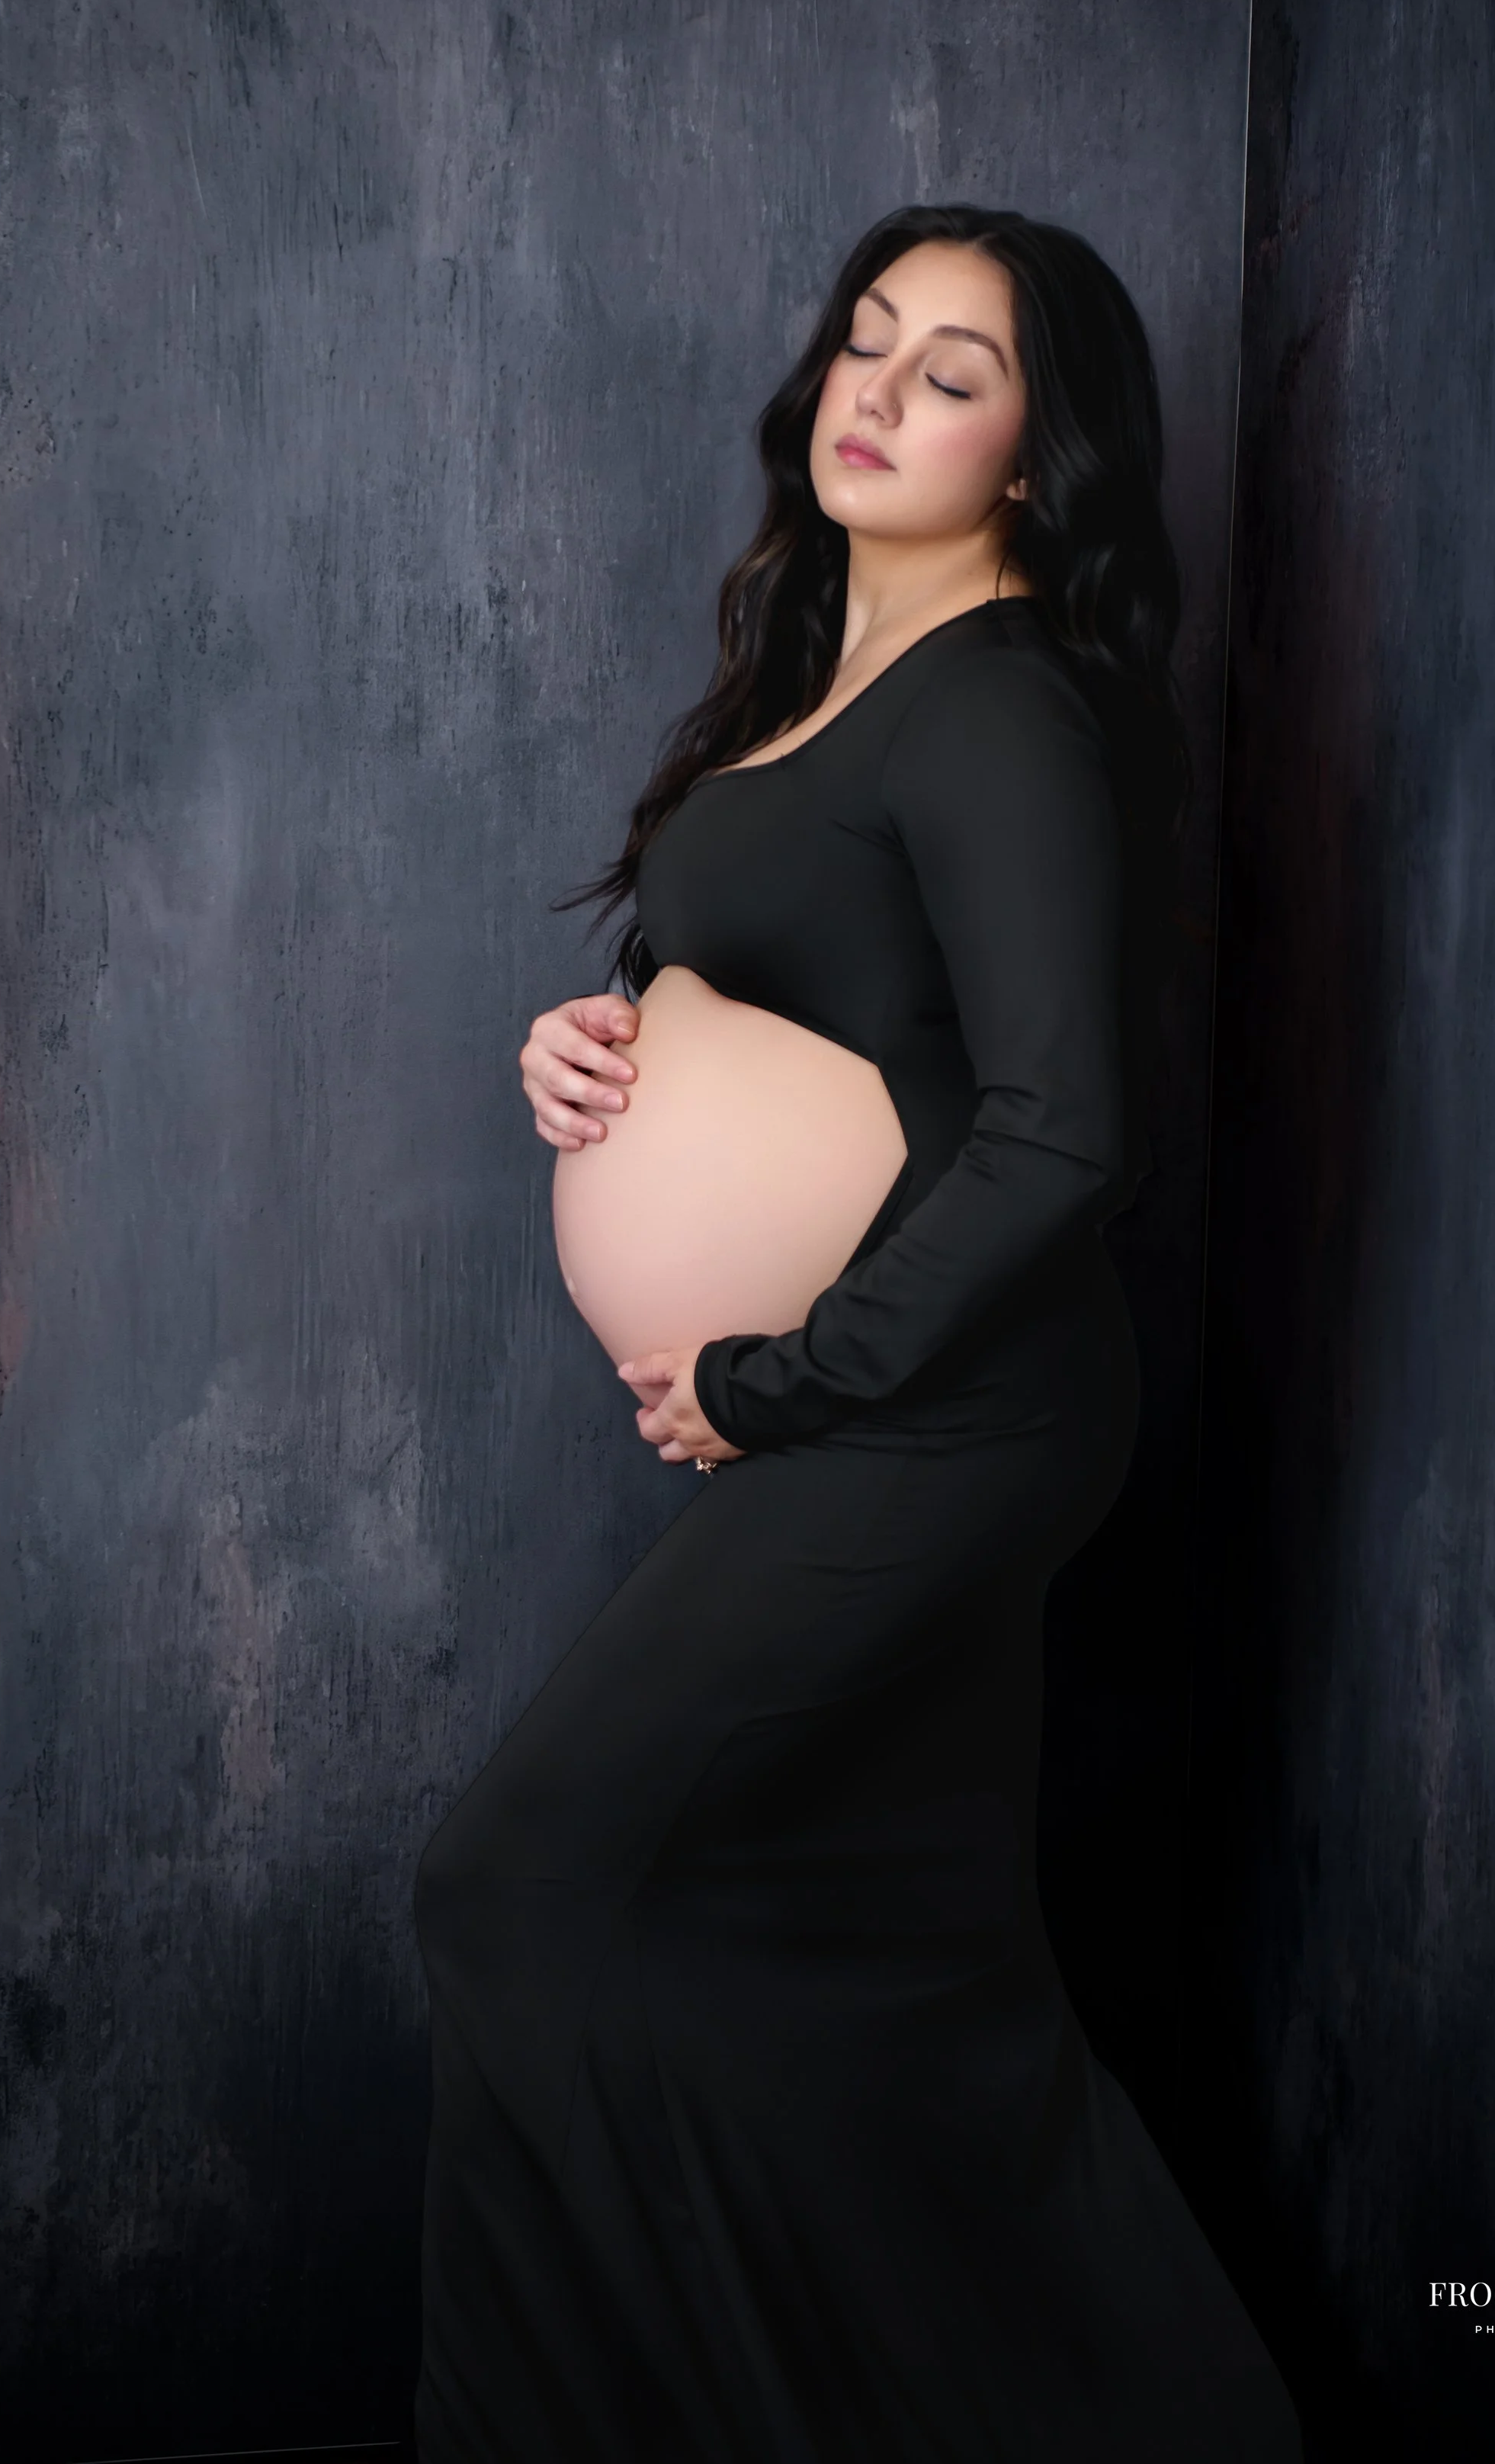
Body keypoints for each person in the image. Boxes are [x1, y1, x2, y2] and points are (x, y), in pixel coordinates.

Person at [412, 202, 1303, 2459]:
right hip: (872, 1416)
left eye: (953, 373)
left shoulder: (1003, 701)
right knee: (901, 1984)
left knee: (522, 1885)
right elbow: (845, 1020)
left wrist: (773, 1380)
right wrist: (604, 1050)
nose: (877, 394)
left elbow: (1058, 1132)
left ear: (1038, 448)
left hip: (937, 1422)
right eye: (864, 343)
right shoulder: (826, 677)